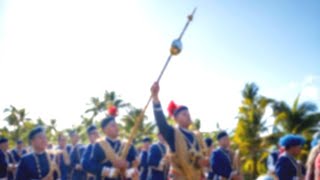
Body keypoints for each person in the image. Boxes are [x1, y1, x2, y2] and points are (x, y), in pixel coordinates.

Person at [151, 82, 207, 180]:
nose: (188, 115)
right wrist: (155, 97)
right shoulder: (173, 133)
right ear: (176, 119)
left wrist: (202, 162)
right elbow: (161, 123)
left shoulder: (196, 136)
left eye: (188, 113)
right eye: (184, 114)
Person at [83, 115, 138, 180]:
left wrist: (127, 164)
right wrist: (108, 171)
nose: (117, 128)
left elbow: (135, 163)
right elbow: (90, 165)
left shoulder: (127, 144)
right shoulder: (98, 145)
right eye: (113, 125)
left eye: (116, 125)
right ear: (104, 130)